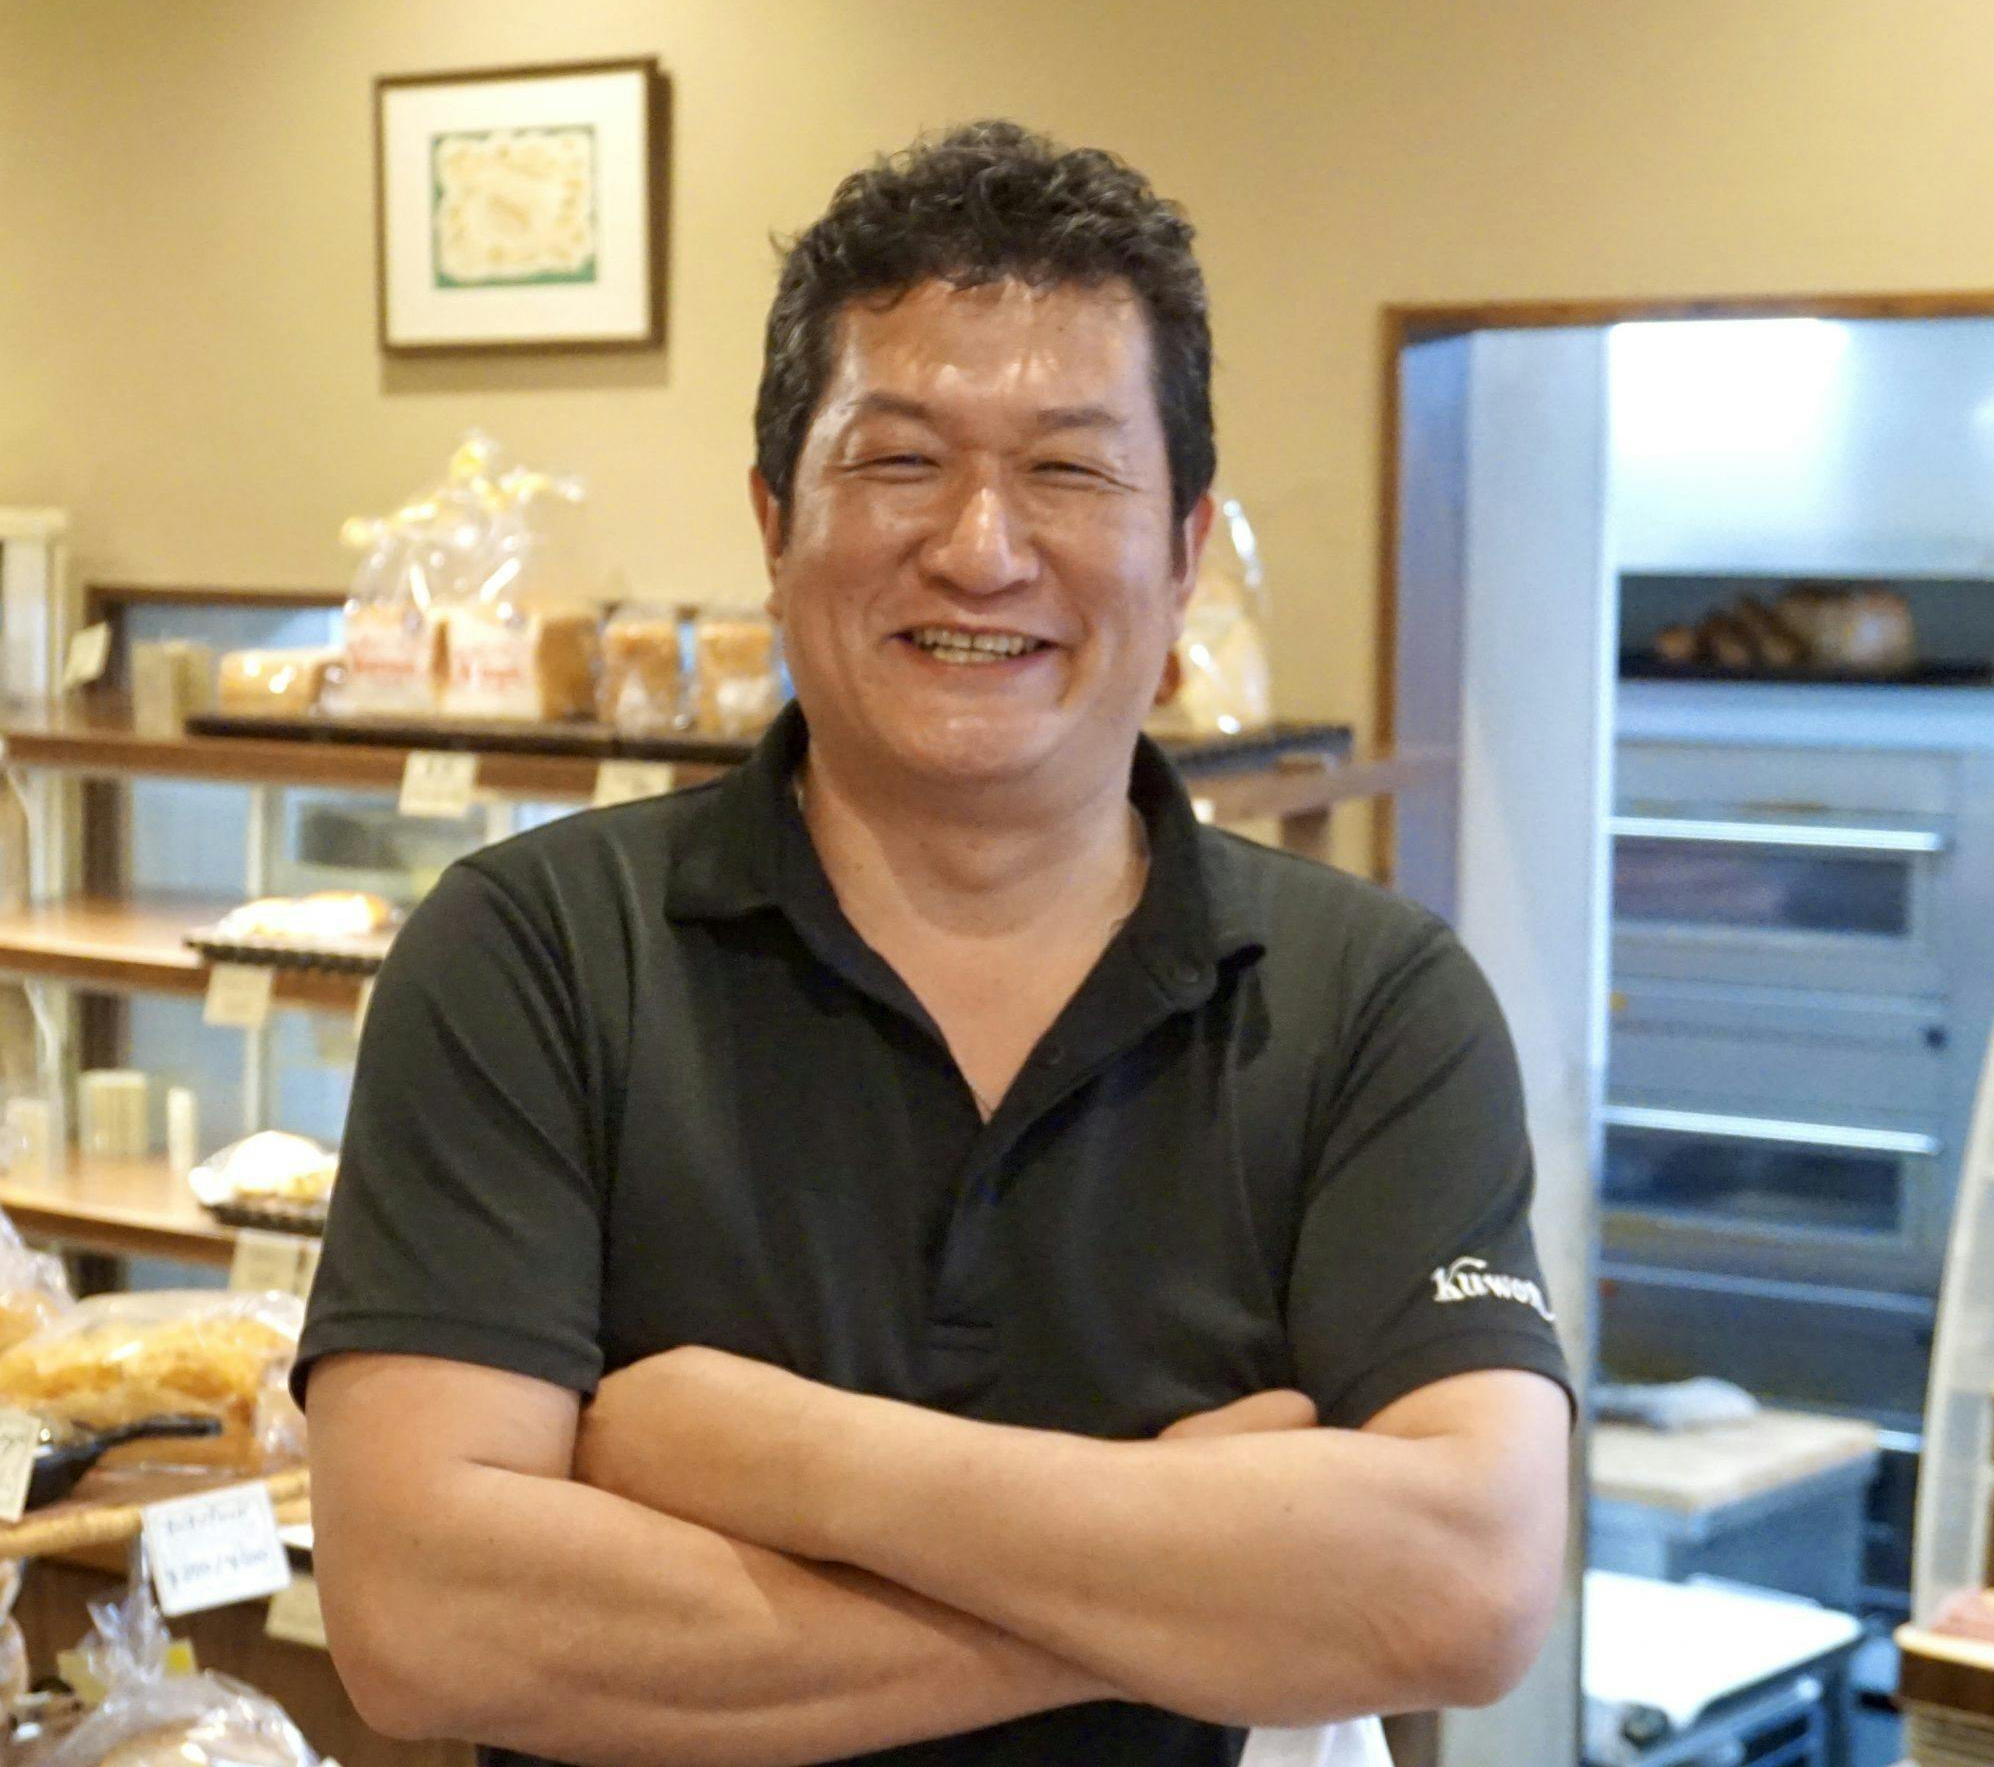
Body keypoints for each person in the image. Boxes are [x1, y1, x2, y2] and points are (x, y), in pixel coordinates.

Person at [298, 120, 1574, 1767]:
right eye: (899, 461)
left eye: (1070, 471)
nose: (980, 548)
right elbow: (425, 1620)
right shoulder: (532, 955)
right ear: (775, 524)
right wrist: (1192, 1584)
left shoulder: (1372, 1000)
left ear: (1184, 554)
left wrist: (782, 1460)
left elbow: (1467, 1590)